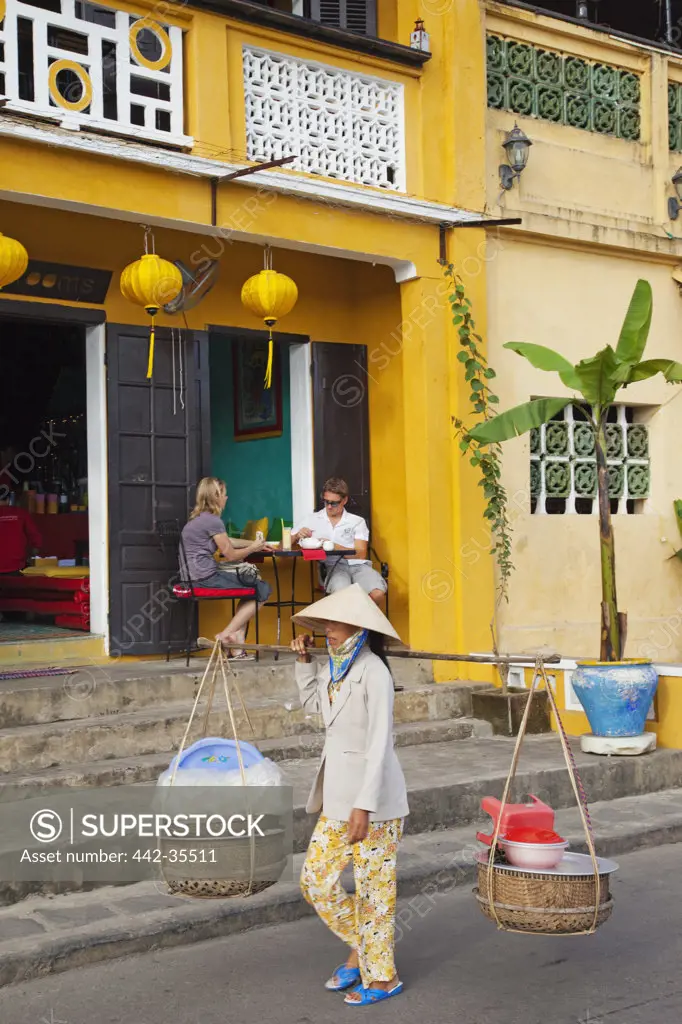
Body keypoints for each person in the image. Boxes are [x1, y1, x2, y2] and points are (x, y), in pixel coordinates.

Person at [291, 583, 408, 1006]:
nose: (326, 630)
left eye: (334, 623)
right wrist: (305, 664)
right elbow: (314, 708)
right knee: (315, 882)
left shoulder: (373, 670)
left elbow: (380, 743)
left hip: (373, 803)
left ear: (358, 626)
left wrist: (365, 804)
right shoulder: (333, 667)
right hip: (338, 797)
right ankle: (363, 949)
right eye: (324, 623)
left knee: (374, 891)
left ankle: (383, 977)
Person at [181, 477, 273, 659]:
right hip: (205, 578)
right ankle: (225, 635)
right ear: (215, 497)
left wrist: (255, 544)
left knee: (251, 584)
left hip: (193, 577)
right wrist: (253, 548)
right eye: (223, 494)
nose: (227, 497)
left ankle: (237, 645)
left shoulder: (200, 519)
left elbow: (226, 541)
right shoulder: (213, 521)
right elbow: (230, 554)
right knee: (262, 589)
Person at [292, 477, 387, 605]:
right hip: (332, 567)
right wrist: (296, 536)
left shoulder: (356, 521)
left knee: (377, 593)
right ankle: (355, 622)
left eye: (334, 503)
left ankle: (359, 622)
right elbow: (282, 545)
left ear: (345, 500)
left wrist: (333, 546)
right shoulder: (311, 519)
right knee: (343, 595)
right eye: (326, 502)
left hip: (358, 566)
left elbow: (360, 554)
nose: (329, 507)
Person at [0, 496, 41, 574]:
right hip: (15, 567)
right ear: (8, 500)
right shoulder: (21, 513)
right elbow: (35, 536)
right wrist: (33, 554)